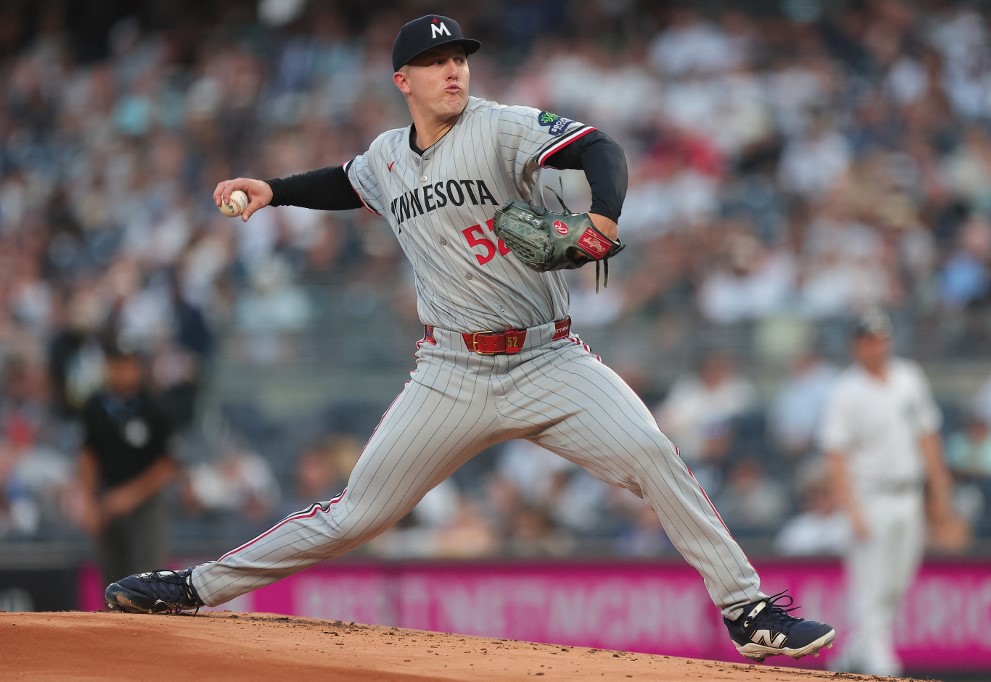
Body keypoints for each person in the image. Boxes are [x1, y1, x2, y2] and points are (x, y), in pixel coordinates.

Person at [103, 14, 835, 663]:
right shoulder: (389, 155)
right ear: (404, 80)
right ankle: (192, 586)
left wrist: (604, 215)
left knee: (650, 451)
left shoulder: (500, 125)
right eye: (435, 61)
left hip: (548, 358)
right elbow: (348, 182)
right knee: (357, 514)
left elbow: (599, 146)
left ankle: (748, 611)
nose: (453, 69)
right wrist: (274, 188)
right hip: (450, 370)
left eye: (460, 57)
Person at [820, 308, 955, 676]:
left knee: (897, 583)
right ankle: (884, 665)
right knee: (870, 585)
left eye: (880, 338)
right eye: (867, 340)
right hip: (870, 495)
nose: (875, 346)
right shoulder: (847, 389)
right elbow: (835, 456)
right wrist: (852, 509)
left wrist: (940, 494)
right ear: (855, 345)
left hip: (909, 494)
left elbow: (928, 438)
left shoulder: (909, 378)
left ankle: (850, 655)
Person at [76, 337, 179, 587]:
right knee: (112, 580)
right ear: (108, 367)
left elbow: (167, 466)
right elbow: (88, 454)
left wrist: (127, 496)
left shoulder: (154, 407)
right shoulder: (95, 406)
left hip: (144, 506)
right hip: (106, 500)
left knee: (146, 579)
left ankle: (148, 627)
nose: (125, 371)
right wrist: (87, 500)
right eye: (118, 365)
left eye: (130, 364)